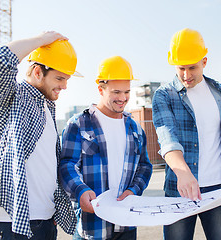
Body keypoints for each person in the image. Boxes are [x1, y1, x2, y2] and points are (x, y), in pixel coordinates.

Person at [152, 28, 221, 240]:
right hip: (180, 188)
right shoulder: (164, 95)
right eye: (181, 68)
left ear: (204, 61)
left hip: (219, 190)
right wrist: (184, 173)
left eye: (192, 68)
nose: (186, 75)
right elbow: (167, 139)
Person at [0, 31, 80, 239]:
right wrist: (41, 41)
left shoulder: (48, 107)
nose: (64, 86)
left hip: (45, 223)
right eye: (60, 78)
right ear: (37, 72)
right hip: (12, 224)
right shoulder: (11, 97)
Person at [59, 55, 153, 240]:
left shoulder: (135, 129)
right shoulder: (78, 124)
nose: (123, 98)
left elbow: (144, 166)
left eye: (127, 92)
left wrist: (133, 191)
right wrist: (80, 190)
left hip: (126, 225)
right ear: (100, 89)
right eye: (116, 92)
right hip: (92, 227)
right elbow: (67, 165)